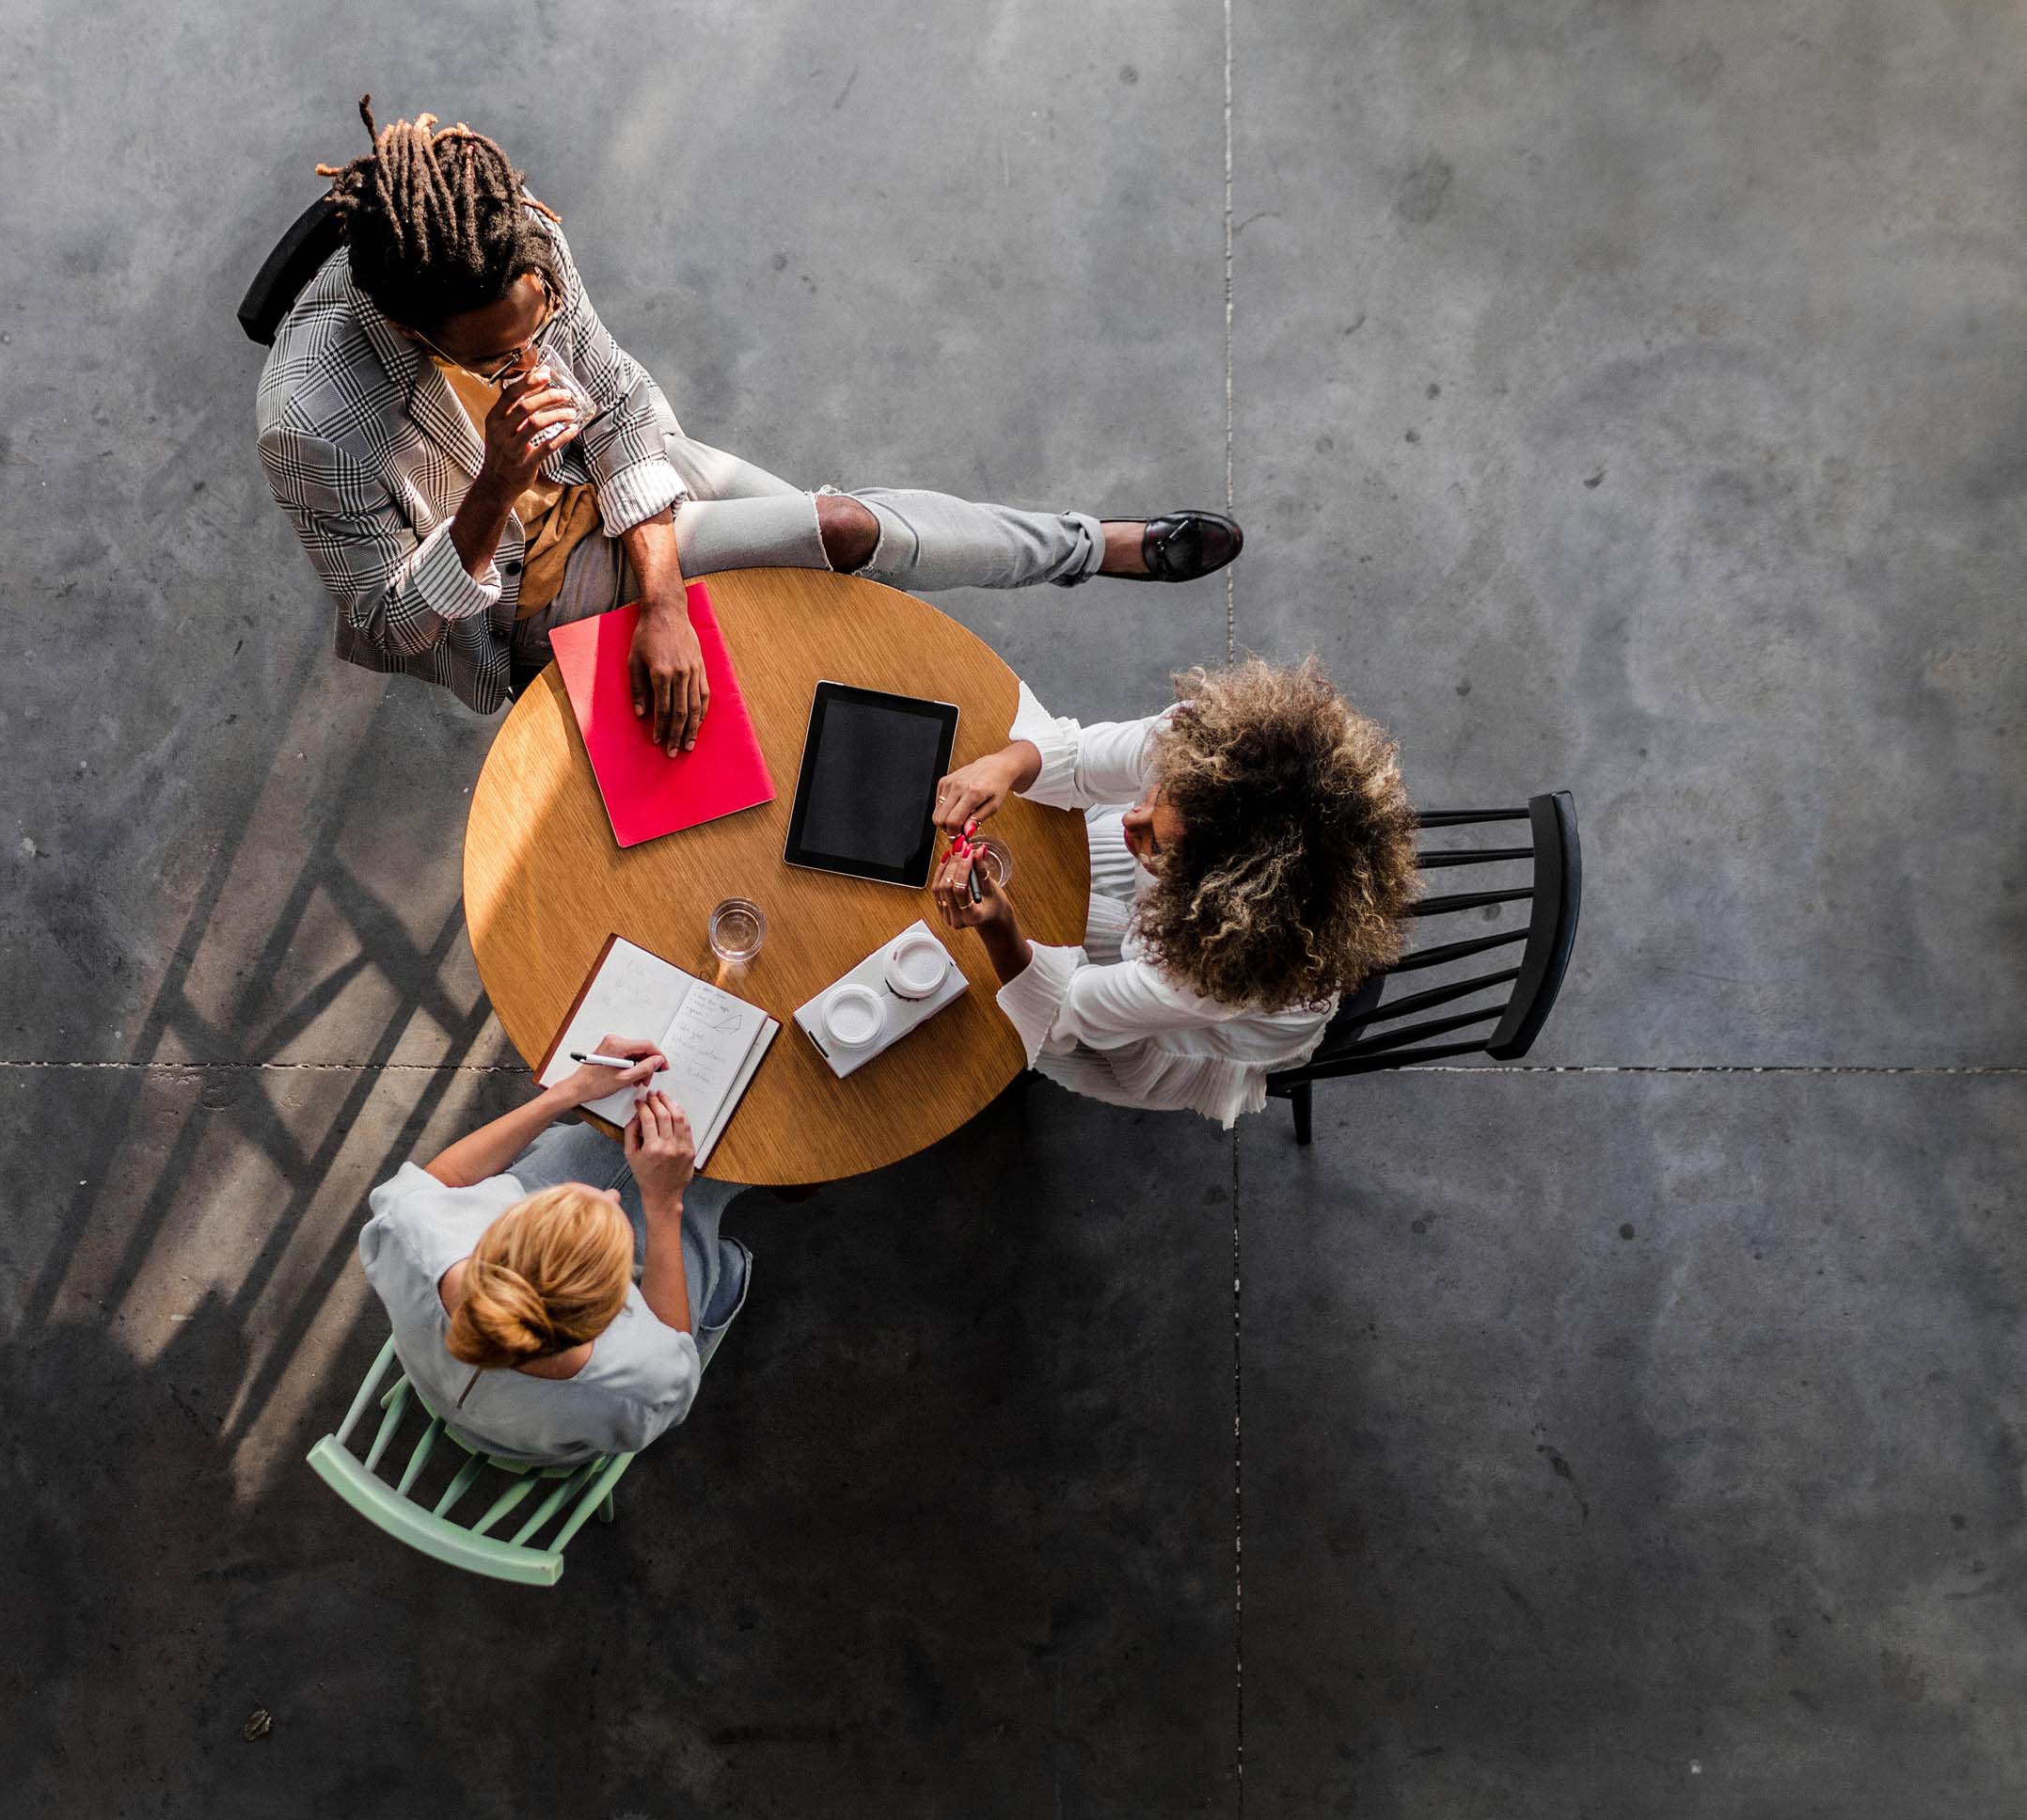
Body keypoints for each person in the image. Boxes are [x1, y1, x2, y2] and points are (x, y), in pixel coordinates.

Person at [258, 101, 1243, 750]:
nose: (526, 361)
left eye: (537, 328)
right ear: (401, 323)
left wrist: (663, 602)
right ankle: (1056, 655)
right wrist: (491, 490)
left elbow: (620, 399)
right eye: (488, 359)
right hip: (524, 590)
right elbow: (388, 620)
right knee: (840, 545)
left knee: (837, 576)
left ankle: (1077, 560)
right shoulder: (309, 420)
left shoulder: (519, 237)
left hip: (632, 475)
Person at [929, 657, 1419, 1127]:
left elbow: (1059, 1011)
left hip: (1202, 1004)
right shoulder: (1204, 751)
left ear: (1207, 891)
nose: (1129, 818)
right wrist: (1007, 764)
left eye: (1160, 848)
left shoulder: (1208, 973)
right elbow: (1080, 756)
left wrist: (999, 926)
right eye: (1157, 796)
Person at [357, 1035, 751, 1464]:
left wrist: (572, 1089)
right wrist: (664, 1203)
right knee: (711, 1207)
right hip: (550, 1447)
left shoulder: (408, 1227)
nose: (609, 1197)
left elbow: (445, 1178)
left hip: (446, 1377)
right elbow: (673, 1341)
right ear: (613, 1312)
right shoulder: (646, 1385)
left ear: (495, 1229)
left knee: (588, 1149)